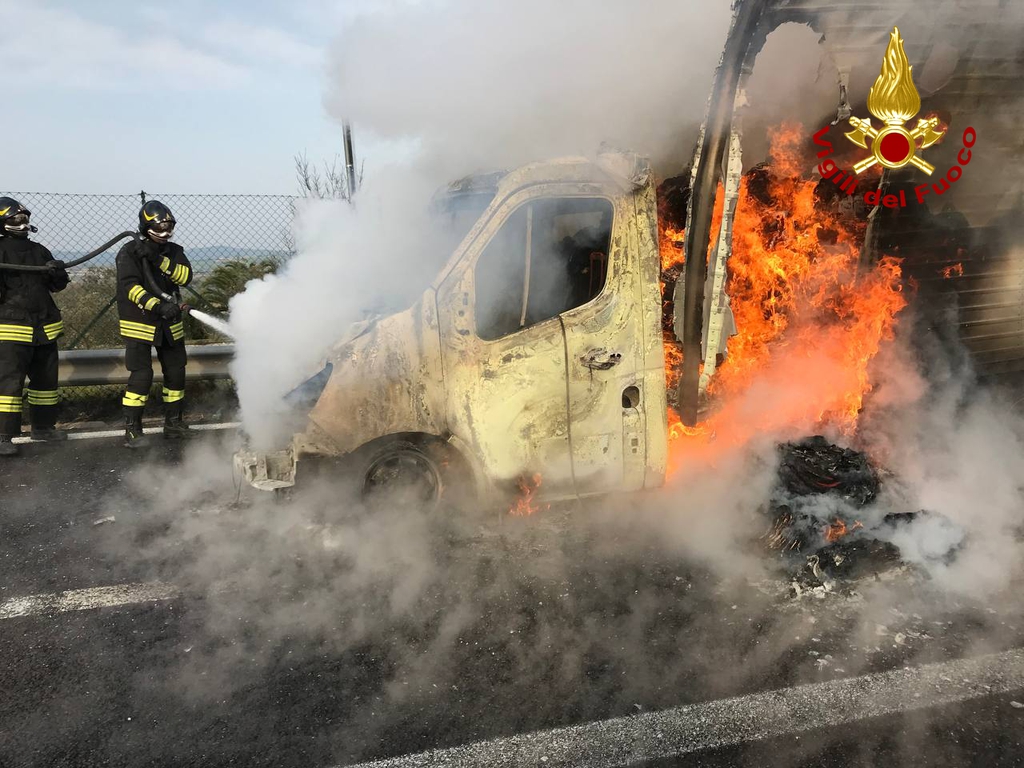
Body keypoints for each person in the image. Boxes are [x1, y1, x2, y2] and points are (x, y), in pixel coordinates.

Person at [115, 200, 194, 447]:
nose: (165, 234)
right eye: (160, 228)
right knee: (141, 376)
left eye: (169, 228)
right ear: (146, 226)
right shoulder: (129, 252)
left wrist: (158, 260)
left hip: (170, 323)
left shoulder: (173, 251)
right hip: (140, 322)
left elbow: (185, 276)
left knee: (176, 373)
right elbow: (130, 288)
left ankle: (173, 423)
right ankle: (132, 430)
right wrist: (158, 305)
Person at [0, 197, 70, 457]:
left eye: (24, 218)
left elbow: (57, 286)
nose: (22, 223)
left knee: (45, 383)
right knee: (9, 385)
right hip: (11, 329)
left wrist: (57, 271)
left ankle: (43, 428)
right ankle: (4, 435)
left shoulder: (39, 250)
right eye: (15, 219)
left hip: (44, 328)